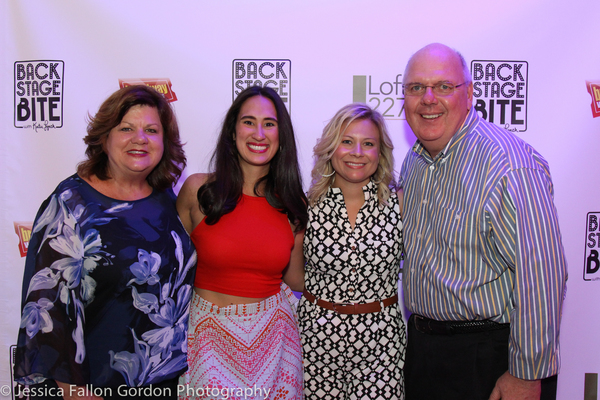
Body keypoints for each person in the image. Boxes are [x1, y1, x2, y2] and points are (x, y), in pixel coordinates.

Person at [399, 43, 568, 400]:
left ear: (470, 93)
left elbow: (541, 273)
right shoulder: (413, 162)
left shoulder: (507, 163)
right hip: (425, 350)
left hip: (490, 355)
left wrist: (526, 374)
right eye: (416, 88)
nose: (428, 98)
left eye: (444, 86)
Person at [14, 85, 197, 400]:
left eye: (151, 130)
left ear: (164, 143)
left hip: (159, 383)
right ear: (105, 137)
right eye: (126, 128)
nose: (140, 138)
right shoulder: (71, 203)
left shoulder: (165, 199)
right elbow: (47, 306)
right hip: (91, 385)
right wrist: (74, 389)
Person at [176, 86, 307, 400]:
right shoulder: (198, 191)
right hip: (207, 338)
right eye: (249, 122)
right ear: (232, 132)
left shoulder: (292, 203)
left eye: (269, 124)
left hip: (275, 342)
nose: (259, 133)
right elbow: (170, 270)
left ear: (281, 135)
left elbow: (296, 278)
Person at [299, 103, 406, 399]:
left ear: (380, 153)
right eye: (347, 141)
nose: (357, 152)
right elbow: (294, 277)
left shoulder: (400, 203)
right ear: (331, 148)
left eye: (368, 144)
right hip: (315, 340)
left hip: (381, 345)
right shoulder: (305, 206)